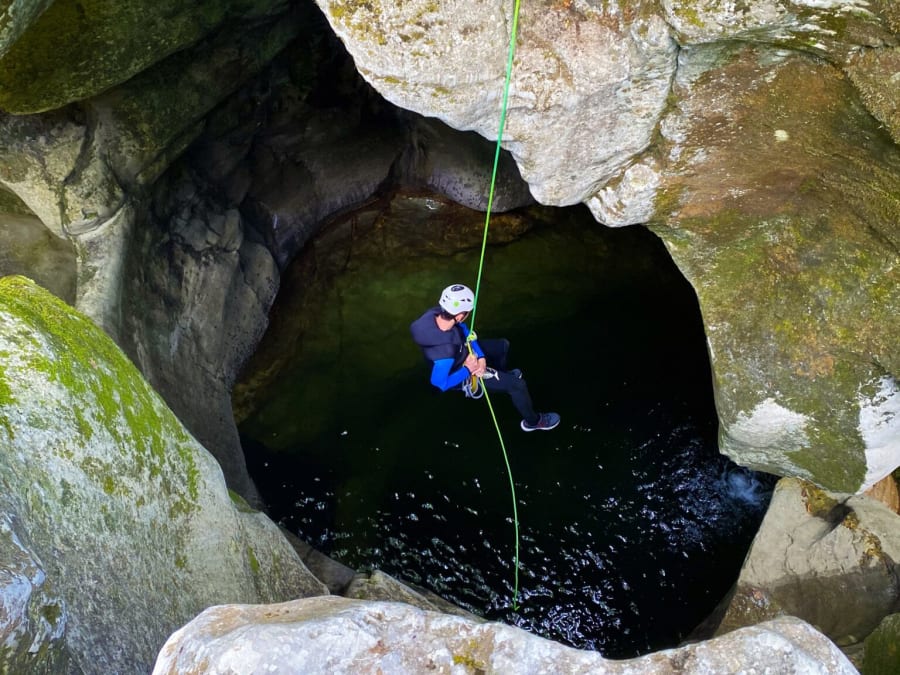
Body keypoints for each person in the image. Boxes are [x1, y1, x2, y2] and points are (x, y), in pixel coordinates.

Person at [410, 283, 560, 431]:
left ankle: (502, 375)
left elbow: (465, 331)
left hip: (464, 353)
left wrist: (481, 357)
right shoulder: (445, 354)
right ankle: (534, 422)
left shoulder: (435, 314)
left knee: (502, 345)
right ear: (460, 315)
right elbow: (439, 384)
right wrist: (469, 369)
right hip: (462, 372)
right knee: (518, 386)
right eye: (468, 312)